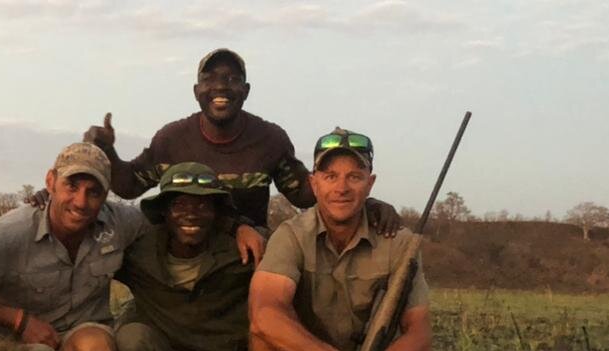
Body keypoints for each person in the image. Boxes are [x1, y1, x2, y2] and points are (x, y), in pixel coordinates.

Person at [83, 48, 400, 261]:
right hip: (183, 252)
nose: (221, 87)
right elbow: (128, 186)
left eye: (233, 79)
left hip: (246, 254)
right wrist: (107, 150)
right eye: (210, 79)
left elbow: (306, 194)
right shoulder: (171, 139)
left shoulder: (270, 139)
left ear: (246, 91)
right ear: (197, 92)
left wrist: (365, 203)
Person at [248, 128, 444, 351]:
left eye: (354, 176)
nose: (342, 187)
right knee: (265, 336)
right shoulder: (291, 235)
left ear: (370, 183)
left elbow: (419, 334)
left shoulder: (401, 243)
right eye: (330, 176)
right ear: (314, 184)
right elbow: (265, 315)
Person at [0, 143, 146, 351]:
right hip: (19, 342)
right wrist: (19, 321)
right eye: (71, 186)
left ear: (105, 195)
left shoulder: (120, 222)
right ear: (51, 182)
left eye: (93, 192)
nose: (81, 202)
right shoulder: (10, 232)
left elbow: (164, 221)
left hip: (82, 335)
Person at [115, 162, 258, 351]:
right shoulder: (138, 252)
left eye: (203, 205)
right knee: (132, 339)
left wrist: (243, 226)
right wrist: (49, 197)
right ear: (164, 212)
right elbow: (89, 229)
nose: (191, 214)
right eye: (179, 204)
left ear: (216, 212)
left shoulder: (243, 251)